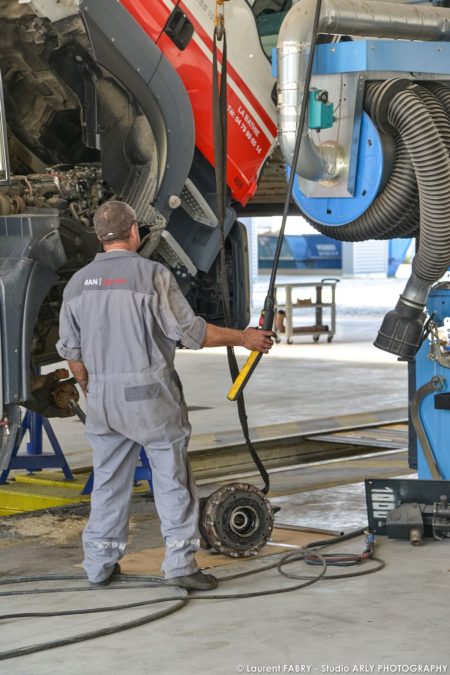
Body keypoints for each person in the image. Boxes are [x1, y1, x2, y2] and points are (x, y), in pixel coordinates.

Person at [56, 200, 274, 590]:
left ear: (99, 236)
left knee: (108, 482)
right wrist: (245, 337)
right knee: (172, 479)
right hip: (150, 397)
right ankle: (179, 565)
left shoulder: (77, 283)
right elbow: (192, 333)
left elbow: (73, 356)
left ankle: (99, 565)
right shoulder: (151, 276)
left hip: (102, 397)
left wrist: (95, 388)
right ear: (135, 231)